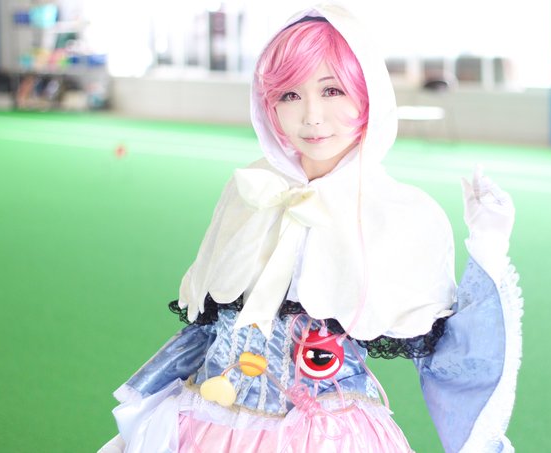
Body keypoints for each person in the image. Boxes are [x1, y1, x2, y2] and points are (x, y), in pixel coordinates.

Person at [100, 3, 522, 452]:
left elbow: (453, 359)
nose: (311, 116)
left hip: (329, 435)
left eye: (332, 90)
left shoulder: (402, 212)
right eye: (289, 95)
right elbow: (208, 325)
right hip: (208, 425)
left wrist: (488, 243)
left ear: (368, 94)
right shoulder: (251, 187)